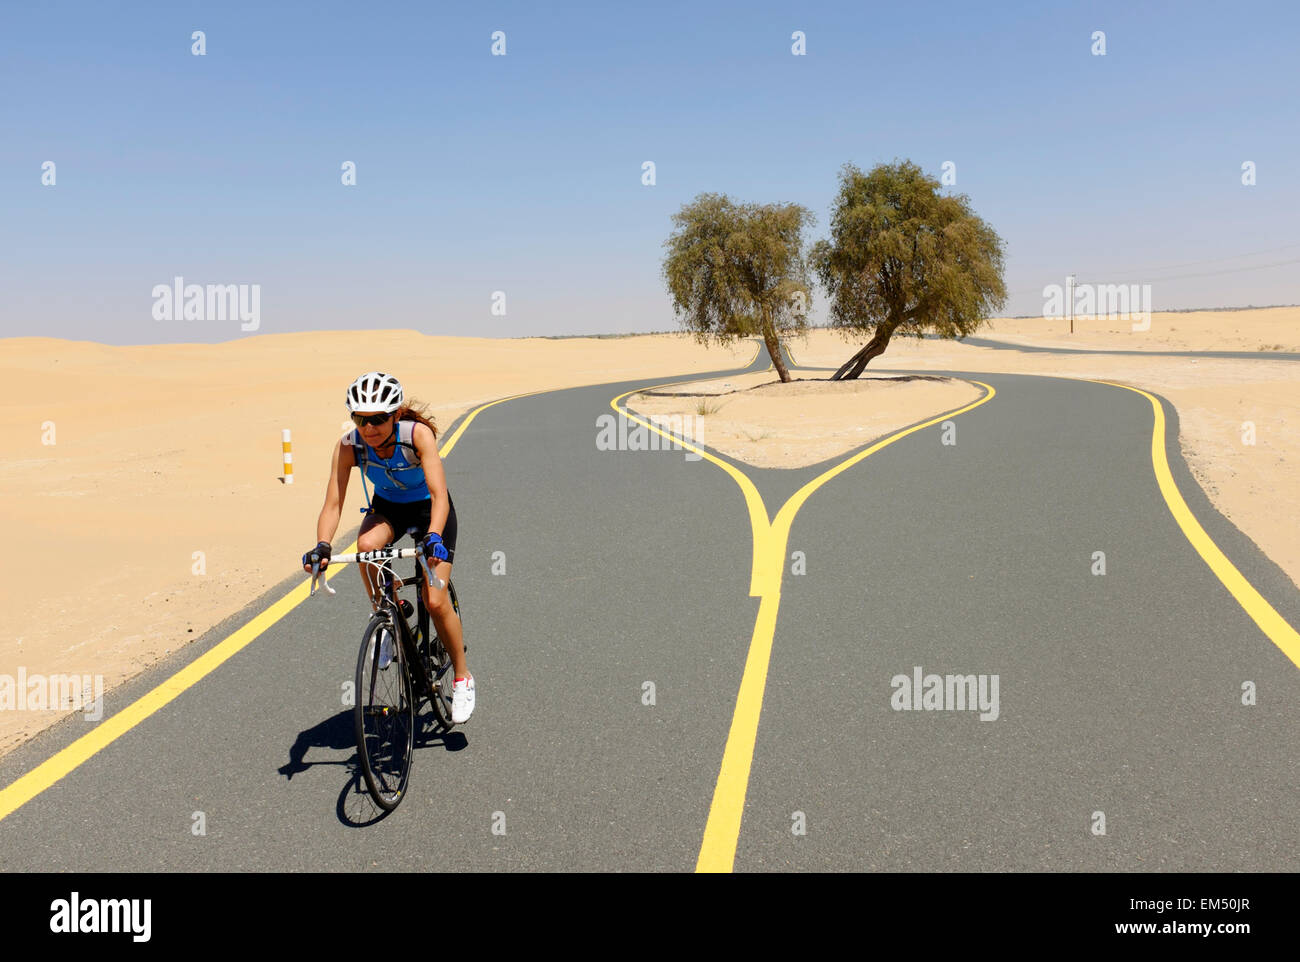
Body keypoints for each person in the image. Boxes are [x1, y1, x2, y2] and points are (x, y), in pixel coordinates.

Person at [301, 371, 473, 722]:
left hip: (430, 510)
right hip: (388, 508)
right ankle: (388, 618)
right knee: (366, 546)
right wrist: (322, 545)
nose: (369, 427)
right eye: (361, 419)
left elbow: (440, 495)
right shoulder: (349, 446)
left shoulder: (417, 436)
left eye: (378, 419)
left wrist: (435, 536)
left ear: (395, 415)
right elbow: (333, 504)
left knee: (435, 599)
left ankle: (462, 677)